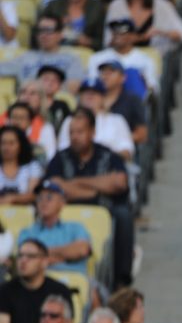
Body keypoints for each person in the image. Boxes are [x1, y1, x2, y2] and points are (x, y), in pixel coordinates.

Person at [44, 107, 132, 289]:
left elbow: (119, 183)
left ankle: (121, 280)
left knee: (123, 215)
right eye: (71, 133)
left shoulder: (108, 155)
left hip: (105, 209)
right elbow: (54, 186)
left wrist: (75, 183)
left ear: (92, 132)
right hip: (66, 211)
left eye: (80, 132)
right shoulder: (60, 158)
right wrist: (97, 188)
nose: (75, 137)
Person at [16, 181, 91, 277]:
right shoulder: (27, 232)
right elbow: (27, 261)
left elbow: (81, 250)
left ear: (62, 203)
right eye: (39, 198)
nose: (43, 202)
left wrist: (40, 254)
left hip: (75, 281)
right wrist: (67, 256)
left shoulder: (75, 227)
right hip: (40, 282)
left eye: (49, 197)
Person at [0, 240, 74, 323]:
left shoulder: (60, 291)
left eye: (30, 256)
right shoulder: (5, 290)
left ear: (44, 262)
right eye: (20, 255)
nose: (23, 260)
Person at [0, 13, 86, 88]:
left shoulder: (71, 59)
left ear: (60, 34)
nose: (44, 35)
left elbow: (72, 88)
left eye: (49, 30)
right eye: (41, 30)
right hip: (28, 99)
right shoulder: (26, 57)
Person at [103, 0, 182, 55]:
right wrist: (125, 39)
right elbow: (107, 41)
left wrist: (162, 32)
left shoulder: (162, 4)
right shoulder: (116, 5)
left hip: (157, 59)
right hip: (122, 63)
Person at [0, 126, 43, 205]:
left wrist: (12, 199)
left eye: (11, 143)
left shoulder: (32, 167)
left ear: (20, 145)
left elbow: (33, 194)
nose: (6, 148)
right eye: (3, 143)